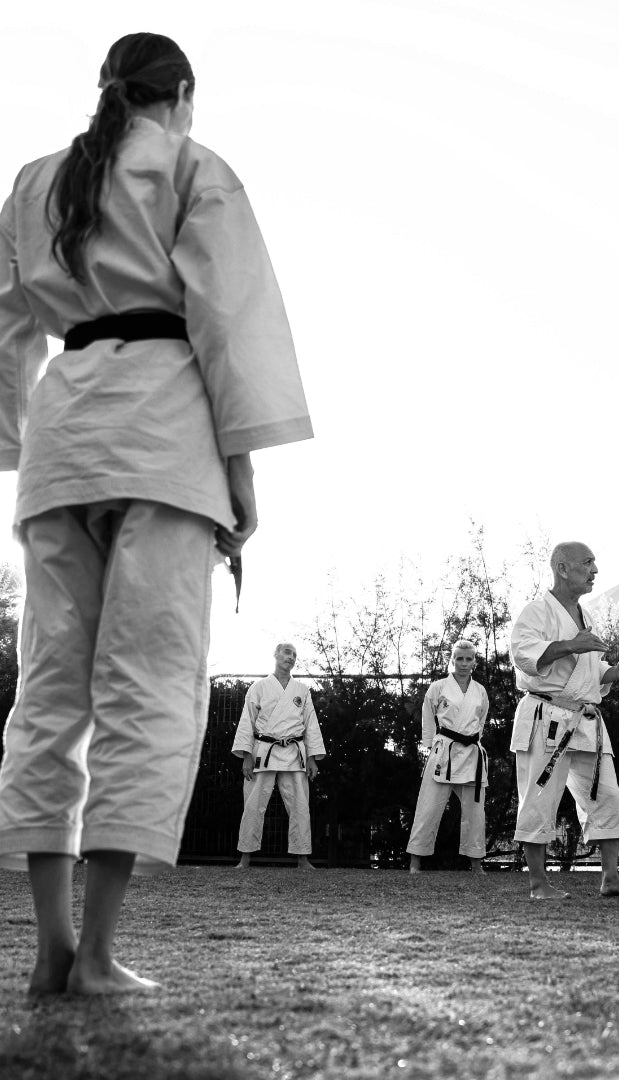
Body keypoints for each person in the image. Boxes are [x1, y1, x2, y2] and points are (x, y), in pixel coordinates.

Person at [0, 33, 312, 994]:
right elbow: (227, 319)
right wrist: (243, 470)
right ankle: (94, 955)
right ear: (180, 93)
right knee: (144, 685)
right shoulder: (190, 166)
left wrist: (15, 440)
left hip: (65, 435)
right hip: (166, 439)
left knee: (50, 689)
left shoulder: (36, 181)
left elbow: (10, 324)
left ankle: (51, 952)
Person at [509, 541, 619, 900]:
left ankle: (611, 878)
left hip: (585, 719)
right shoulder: (536, 612)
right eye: (587, 563)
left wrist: (612, 673)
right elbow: (524, 657)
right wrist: (572, 644)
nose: (595, 570)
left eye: (595, 563)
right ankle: (539, 885)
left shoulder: (586, 616)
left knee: (608, 795)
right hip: (546, 716)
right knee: (539, 798)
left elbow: (585, 670)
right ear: (563, 568)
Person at [232, 643, 326, 870]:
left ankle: (302, 858)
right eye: (286, 653)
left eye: (294, 655)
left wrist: (312, 757)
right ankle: (245, 857)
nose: (291, 657)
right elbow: (247, 722)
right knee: (253, 804)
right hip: (263, 750)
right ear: (275, 655)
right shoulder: (259, 687)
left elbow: (310, 724)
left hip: (294, 752)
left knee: (300, 805)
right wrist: (246, 755)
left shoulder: (302, 690)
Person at [406, 640, 490, 874]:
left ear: (474, 661)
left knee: (475, 812)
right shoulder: (438, 687)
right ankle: (415, 861)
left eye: (468, 658)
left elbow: (480, 722)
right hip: (443, 751)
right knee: (428, 807)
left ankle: (475, 863)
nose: (464, 663)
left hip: (471, 753)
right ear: (452, 660)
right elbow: (427, 716)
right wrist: (431, 745)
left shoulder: (480, 691)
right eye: (459, 658)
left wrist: (473, 741)